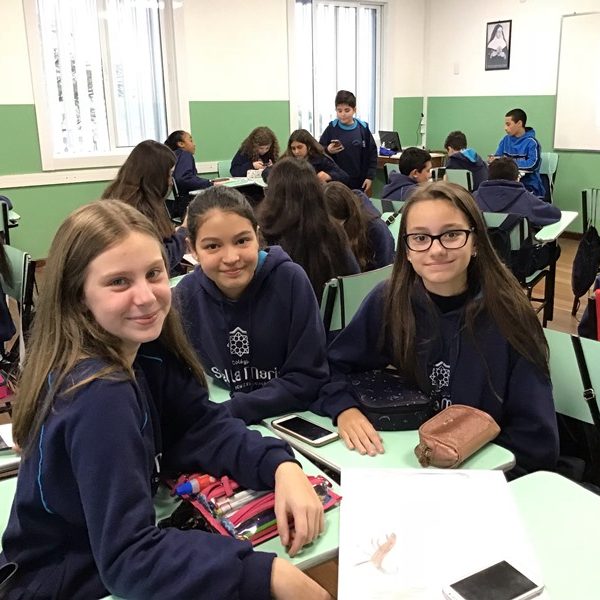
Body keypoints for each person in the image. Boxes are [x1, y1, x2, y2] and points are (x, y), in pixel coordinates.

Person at [0, 200, 330, 600]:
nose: (146, 297)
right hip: (64, 582)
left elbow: (199, 426)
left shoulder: (146, 349)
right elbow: (129, 558)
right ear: (79, 294)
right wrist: (264, 574)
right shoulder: (98, 394)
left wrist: (280, 465)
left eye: (153, 273)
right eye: (119, 282)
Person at [314, 181, 559, 475]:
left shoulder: (510, 316)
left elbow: (535, 441)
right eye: (420, 238)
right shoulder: (389, 299)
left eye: (452, 235)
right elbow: (332, 367)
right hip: (406, 459)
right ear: (406, 249)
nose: (437, 249)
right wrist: (344, 408)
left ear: (476, 242)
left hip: (483, 475)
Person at [174, 186, 330, 425]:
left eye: (242, 241)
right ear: (192, 249)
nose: (231, 258)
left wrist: (231, 411)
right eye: (212, 246)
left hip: (290, 415)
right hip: (226, 413)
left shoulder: (290, 280)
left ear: (257, 236)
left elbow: (309, 377)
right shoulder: (185, 296)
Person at [258, 157, 359, 301]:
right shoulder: (333, 231)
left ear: (274, 196)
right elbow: (354, 279)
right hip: (334, 312)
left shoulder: (268, 237)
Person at [101, 139, 187, 274]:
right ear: (155, 177)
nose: (171, 181)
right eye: (169, 174)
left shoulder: (118, 194)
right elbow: (160, 260)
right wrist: (184, 231)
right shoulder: (137, 210)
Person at [323, 181, 395, 271]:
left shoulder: (376, 229)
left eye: (335, 224)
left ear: (345, 216)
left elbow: (385, 270)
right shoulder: (321, 226)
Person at [319, 90, 378, 194]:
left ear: (354, 110)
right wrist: (328, 150)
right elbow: (319, 150)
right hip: (336, 182)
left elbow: (372, 153)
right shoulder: (332, 128)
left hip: (358, 182)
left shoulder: (363, 129)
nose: (343, 114)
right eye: (339, 111)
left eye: (347, 110)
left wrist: (369, 177)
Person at [474, 157, 560, 227]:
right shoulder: (528, 200)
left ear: (488, 176)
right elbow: (555, 214)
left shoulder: (473, 198)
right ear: (517, 178)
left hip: (481, 243)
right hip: (518, 244)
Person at [491, 108, 545, 198]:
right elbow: (498, 159)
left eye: (508, 124)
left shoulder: (532, 142)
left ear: (519, 123)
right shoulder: (505, 140)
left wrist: (508, 164)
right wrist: (494, 160)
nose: (505, 128)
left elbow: (532, 165)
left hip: (528, 185)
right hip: (507, 183)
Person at [164, 130, 212, 217]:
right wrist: (209, 183)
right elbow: (183, 178)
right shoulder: (185, 155)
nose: (194, 144)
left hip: (172, 206)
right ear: (181, 144)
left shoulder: (173, 157)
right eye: (191, 140)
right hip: (185, 206)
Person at [283, 129, 349, 184]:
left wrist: (329, 175)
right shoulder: (286, 162)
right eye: (293, 148)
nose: (296, 151)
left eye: (299, 147)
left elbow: (344, 177)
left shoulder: (320, 159)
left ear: (308, 146)